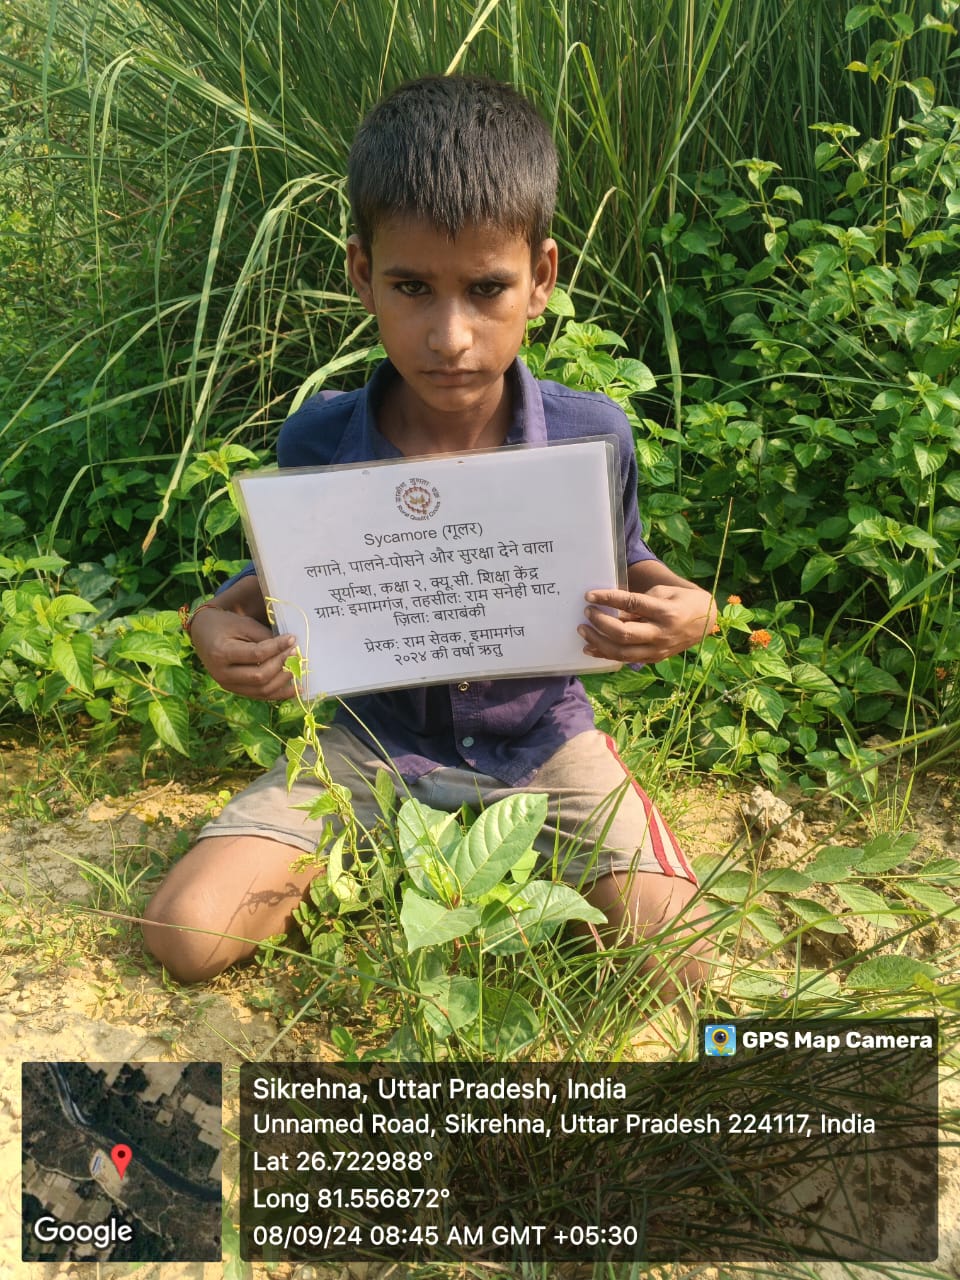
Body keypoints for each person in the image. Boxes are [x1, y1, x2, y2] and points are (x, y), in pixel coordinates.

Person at [143, 74, 716, 991]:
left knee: (678, 960)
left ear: (541, 279)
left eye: (487, 288)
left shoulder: (589, 434)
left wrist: (693, 609)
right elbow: (285, 581)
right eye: (412, 287)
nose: (450, 334)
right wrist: (212, 625)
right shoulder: (319, 438)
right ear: (363, 275)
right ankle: (402, 846)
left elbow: (630, 562)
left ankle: (508, 851)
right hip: (368, 738)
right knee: (188, 935)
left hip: (544, 739)